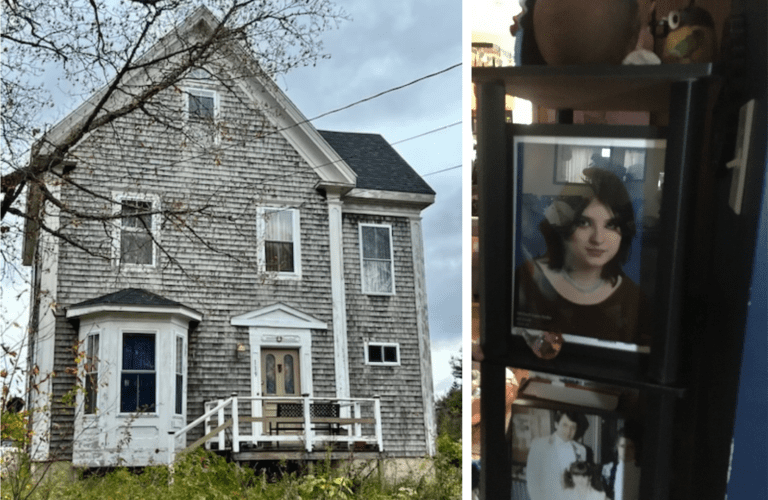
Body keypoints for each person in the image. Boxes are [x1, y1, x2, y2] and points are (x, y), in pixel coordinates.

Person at [514, 167, 651, 346]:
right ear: (564, 226)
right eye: (584, 223)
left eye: (611, 225)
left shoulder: (633, 298)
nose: (598, 239)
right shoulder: (528, 278)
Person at [526, 410, 589, 500]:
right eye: (565, 425)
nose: (569, 431)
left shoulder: (581, 450)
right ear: (556, 424)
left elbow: (582, 482)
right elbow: (532, 484)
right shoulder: (539, 446)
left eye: (573, 427)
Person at [602, 432, 641, 500]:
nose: (626, 451)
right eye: (622, 446)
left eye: (630, 447)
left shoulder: (640, 471)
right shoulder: (608, 469)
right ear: (616, 447)